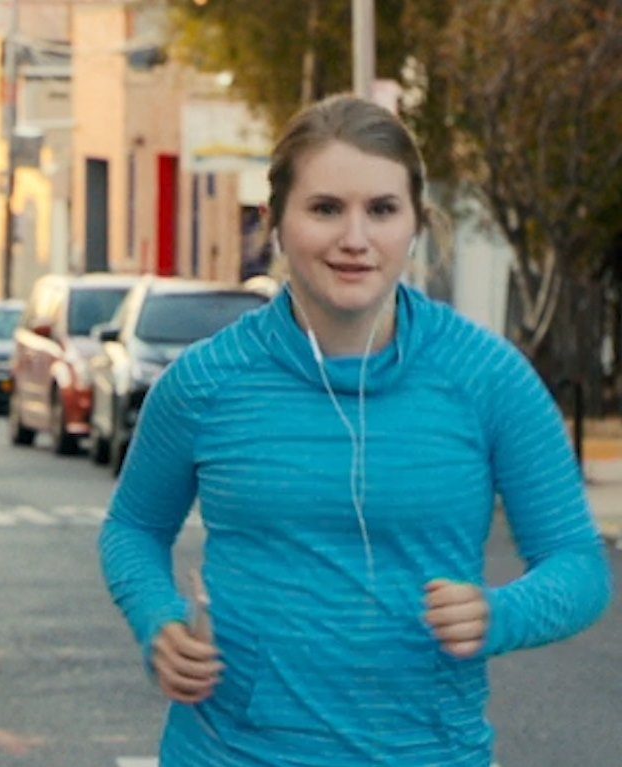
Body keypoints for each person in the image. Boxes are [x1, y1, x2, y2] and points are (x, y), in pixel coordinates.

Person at [98, 93, 613, 766]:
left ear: (415, 224)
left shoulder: (489, 377)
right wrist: (158, 620)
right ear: (275, 223)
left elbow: (579, 565)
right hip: (229, 751)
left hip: (429, 751)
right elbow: (132, 528)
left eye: (381, 209)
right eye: (325, 208)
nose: (355, 239)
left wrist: (497, 613)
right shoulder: (204, 383)